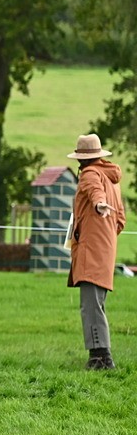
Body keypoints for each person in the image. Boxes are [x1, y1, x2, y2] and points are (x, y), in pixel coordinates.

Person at [66, 133, 126, 370]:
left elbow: (94, 193)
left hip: (91, 249)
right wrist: (106, 234)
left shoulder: (90, 174)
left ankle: (100, 358)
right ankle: (101, 355)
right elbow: (120, 220)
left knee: (90, 305)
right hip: (105, 248)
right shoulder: (112, 180)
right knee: (97, 303)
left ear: (82, 159)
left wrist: (99, 204)